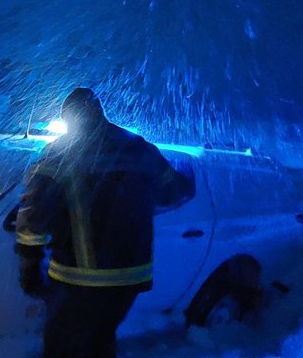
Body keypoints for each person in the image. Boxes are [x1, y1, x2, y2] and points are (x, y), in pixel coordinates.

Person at [15, 88, 188, 357]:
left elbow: (34, 216)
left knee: (61, 348)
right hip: (129, 278)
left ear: (68, 118)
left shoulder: (59, 154)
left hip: (75, 281)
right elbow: (175, 192)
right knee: (101, 341)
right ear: (99, 112)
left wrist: (29, 266)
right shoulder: (138, 147)